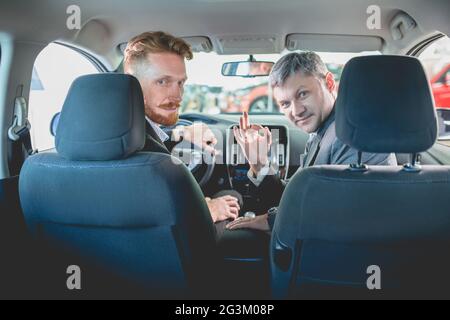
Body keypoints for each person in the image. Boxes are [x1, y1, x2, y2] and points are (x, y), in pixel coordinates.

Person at [226, 52, 397, 232]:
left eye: (302, 94)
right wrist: (259, 163)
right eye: (285, 104)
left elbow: (348, 211)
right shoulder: (323, 132)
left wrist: (271, 220)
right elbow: (294, 196)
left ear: (329, 83)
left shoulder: (355, 132)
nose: (296, 111)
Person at [123, 31, 241, 224]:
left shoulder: (111, 135)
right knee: (232, 197)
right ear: (132, 85)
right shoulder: (136, 149)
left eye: (181, 83)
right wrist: (207, 208)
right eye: (163, 82)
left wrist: (180, 132)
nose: (177, 95)